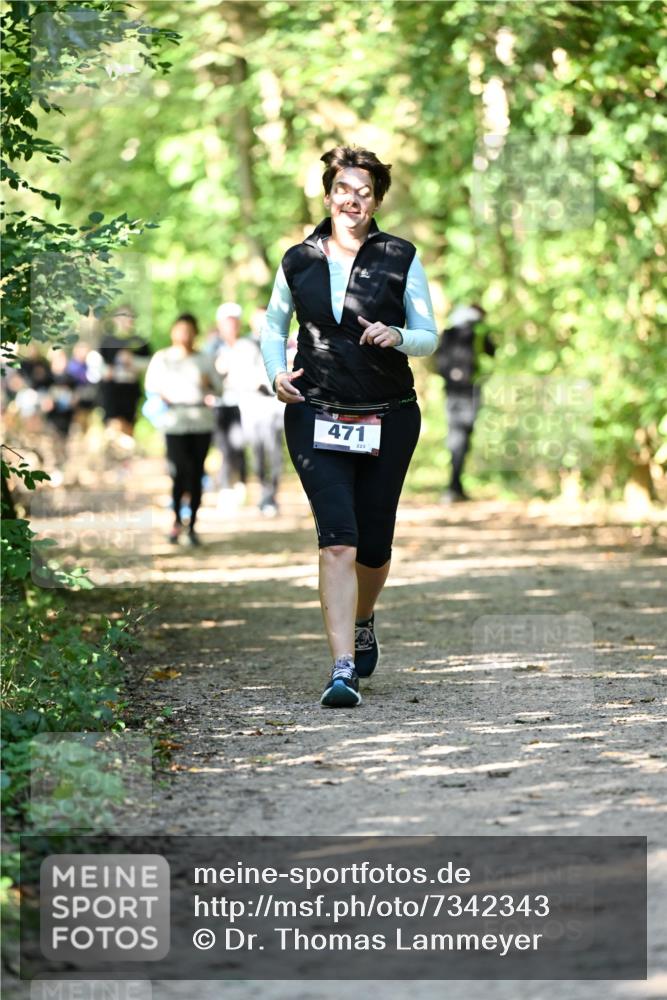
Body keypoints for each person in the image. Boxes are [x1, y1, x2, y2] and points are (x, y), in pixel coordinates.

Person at [261, 145, 438, 709]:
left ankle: (363, 619)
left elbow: (429, 335)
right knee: (338, 538)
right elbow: (271, 327)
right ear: (328, 194)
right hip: (315, 412)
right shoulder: (298, 260)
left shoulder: (401, 256)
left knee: (375, 545)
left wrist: (398, 335)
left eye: (364, 192)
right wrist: (275, 374)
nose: (352, 200)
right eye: (344, 189)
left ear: (376, 199)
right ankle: (341, 670)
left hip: (388, 415)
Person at [144, 314, 221, 546]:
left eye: (189, 330)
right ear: (173, 332)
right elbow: (151, 385)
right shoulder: (163, 358)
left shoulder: (205, 358)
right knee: (178, 471)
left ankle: (193, 525)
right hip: (174, 420)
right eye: (181, 330)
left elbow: (219, 388)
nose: (185, 335)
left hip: (201, 420)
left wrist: (208, 383)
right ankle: (176, 519)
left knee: (197, 472)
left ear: (195, 333)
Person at [434, 304, 496, 502]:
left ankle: (454, 485)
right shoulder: (477, 331)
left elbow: (438, 363)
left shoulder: (449, 333)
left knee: (456, 437)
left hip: (454, 392)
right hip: (468, 391)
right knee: (462, 438)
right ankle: (454, 486)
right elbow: (492, 351)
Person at [95, 304, 151, 440]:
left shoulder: (139, 342)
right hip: (111, 391)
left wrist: (132, 361)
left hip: (130, 391)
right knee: (112, 424)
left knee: (128, 425)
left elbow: (149, 363)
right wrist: (107, 371)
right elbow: (97, 364)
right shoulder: (107, 341)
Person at [212, 302, 248, 508]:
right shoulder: (213, 347)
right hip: (220, 403)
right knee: (223, 447)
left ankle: (241, 484)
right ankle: (225, 486)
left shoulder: (246, 345)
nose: (230, 326)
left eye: (234, 322)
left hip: (241, 403)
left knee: (239, 444)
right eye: (227, 322)